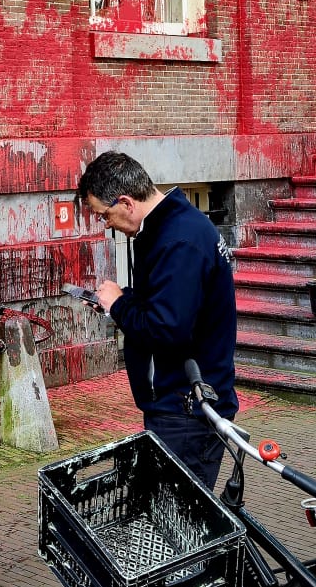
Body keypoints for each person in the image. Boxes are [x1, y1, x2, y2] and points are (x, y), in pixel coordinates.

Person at [80, 151, 238, 489]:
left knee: (180, 524)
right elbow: (170, 302)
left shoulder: (178, 240)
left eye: (104, 215)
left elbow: (168, 329)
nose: (106, 224)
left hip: (187, 409)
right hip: (183, 402)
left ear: (125, 202)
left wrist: (120, 307)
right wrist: (119, 301)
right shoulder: (169, 227)